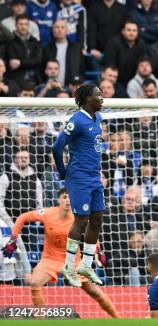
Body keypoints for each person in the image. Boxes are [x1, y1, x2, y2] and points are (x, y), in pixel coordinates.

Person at [1, 188, 119, 317]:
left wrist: (98, 250)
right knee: (35, 282)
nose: (68, 200)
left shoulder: (80, 216)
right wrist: (13, 240)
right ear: (59, 200)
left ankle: (118, 320)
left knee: (95, 292)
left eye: (70, 197)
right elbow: (23, 217)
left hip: (74, 262)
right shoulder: (47, 213)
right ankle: (41, 321)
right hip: (50, 260)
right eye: (64, 197)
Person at [51, 84, 105, 287]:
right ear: (86, 99)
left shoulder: (98, 118)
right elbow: (57, 146)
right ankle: (68, 266)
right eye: (98, 95)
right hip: (79, 177)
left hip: (94, 177)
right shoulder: (76, 120)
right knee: (81, 220)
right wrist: (64, 172)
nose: (102, 98)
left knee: (97, 219)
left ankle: (86, 264)